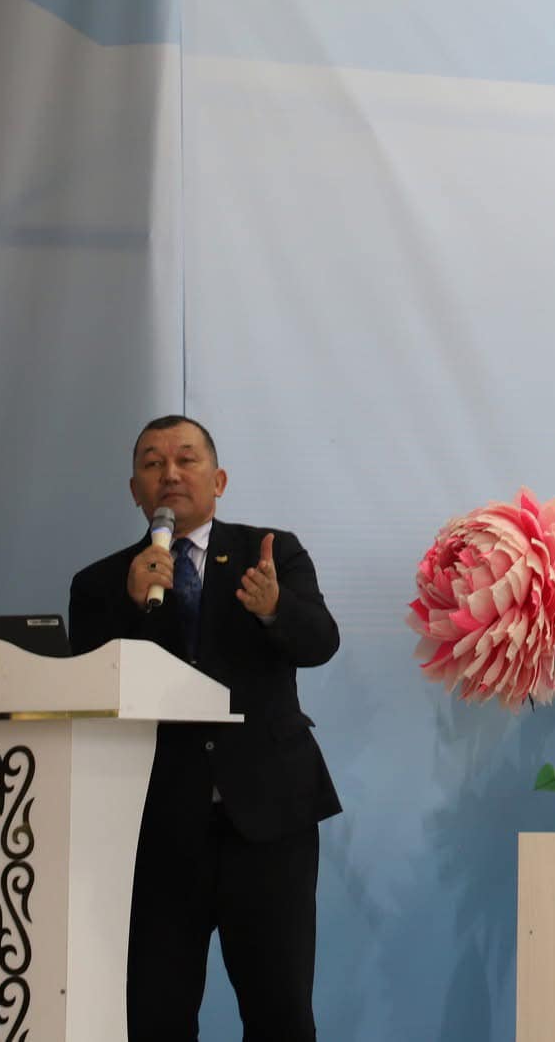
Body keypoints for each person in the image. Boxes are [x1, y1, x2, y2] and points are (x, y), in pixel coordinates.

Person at [68, 416, 341, 1040]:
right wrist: (131, 607)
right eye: (152, 463)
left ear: (218, 480)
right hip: (158, 825)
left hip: (268, 820)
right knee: (155, 1015)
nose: (170, 474)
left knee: (280, 1013)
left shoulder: (271, 553)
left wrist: (275, 608)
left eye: (186, 460)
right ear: (134, 491)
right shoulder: (101, 583)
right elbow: (88, 683)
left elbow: (321, 642)